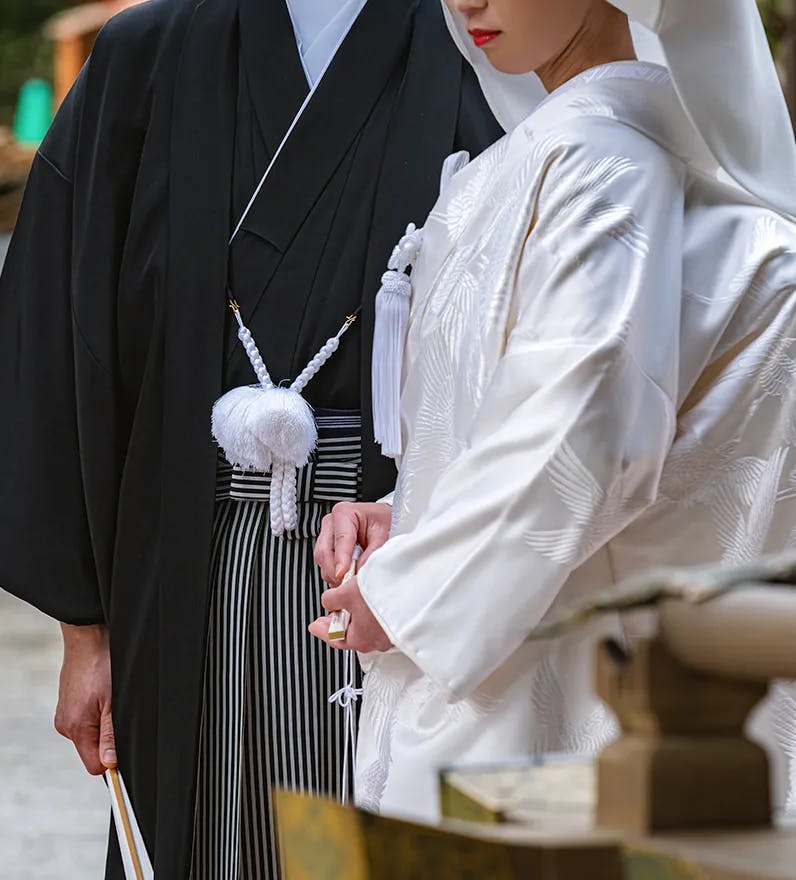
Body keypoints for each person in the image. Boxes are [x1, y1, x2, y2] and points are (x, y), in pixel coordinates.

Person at [0, 1, 501, 876]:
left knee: (373, 844)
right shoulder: (147, 53)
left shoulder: (481, 44)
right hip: (183, 559)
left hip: (397, 558)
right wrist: (88, 632)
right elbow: (67, 335)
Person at [311, 0, 796, 821]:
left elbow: (590, 429)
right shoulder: (616, 151)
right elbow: (557, 411)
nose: (468, 3)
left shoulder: (602, 158)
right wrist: (414, 511)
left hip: (561, 665)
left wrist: (415, 589)